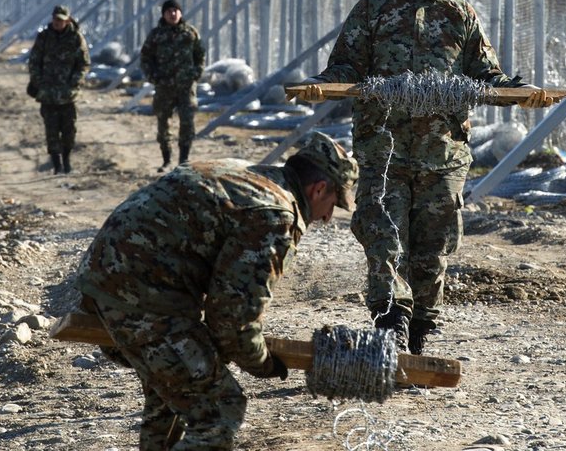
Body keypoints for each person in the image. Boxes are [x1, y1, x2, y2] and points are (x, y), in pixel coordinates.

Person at [295, 0, 552, 355]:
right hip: (384, 149)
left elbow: (484, 74)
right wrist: (321, 84)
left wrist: (515, 88)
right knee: (384, 236)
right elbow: (346, 69)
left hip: (443, 152)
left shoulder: (459, 14)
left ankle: (422, 326)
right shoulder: (372, 10)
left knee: (434, 245)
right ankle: (391, 318)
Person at [74, 131, 358, 451]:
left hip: (102, 281)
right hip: (143, 298)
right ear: (319, 188)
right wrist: (262, 362)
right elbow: (231, 319)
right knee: (220, 409)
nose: (327, 217)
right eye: (334, 204)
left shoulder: (245, 174)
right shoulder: (275, 214)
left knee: (174, 389)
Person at [140, 0, 206, 172]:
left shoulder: (190, 33)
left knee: (187, 123)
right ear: (163, 14)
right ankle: (166, 159)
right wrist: (154, 77)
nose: (173, 14)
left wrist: (196, 73)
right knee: (163, 124)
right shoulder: (156, 35)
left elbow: (200, 55)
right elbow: (146, 58)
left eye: (176, 10)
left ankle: (184, 159)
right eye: (169, 11)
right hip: (164, 87)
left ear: (181, 13)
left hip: (186, 87)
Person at [27, 4, 91, 174]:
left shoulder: (76, 38)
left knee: (69, 130)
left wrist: (75, 82)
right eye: (55, 19)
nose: (57, 22)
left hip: (68, 94)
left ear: (68, 20)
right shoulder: (44, 37)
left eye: (61, 20)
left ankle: (67, 160)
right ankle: (57, 166)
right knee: (52, 131)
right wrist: (39, 82)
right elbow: (34, 61)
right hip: (47, 94)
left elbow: (83, 64)